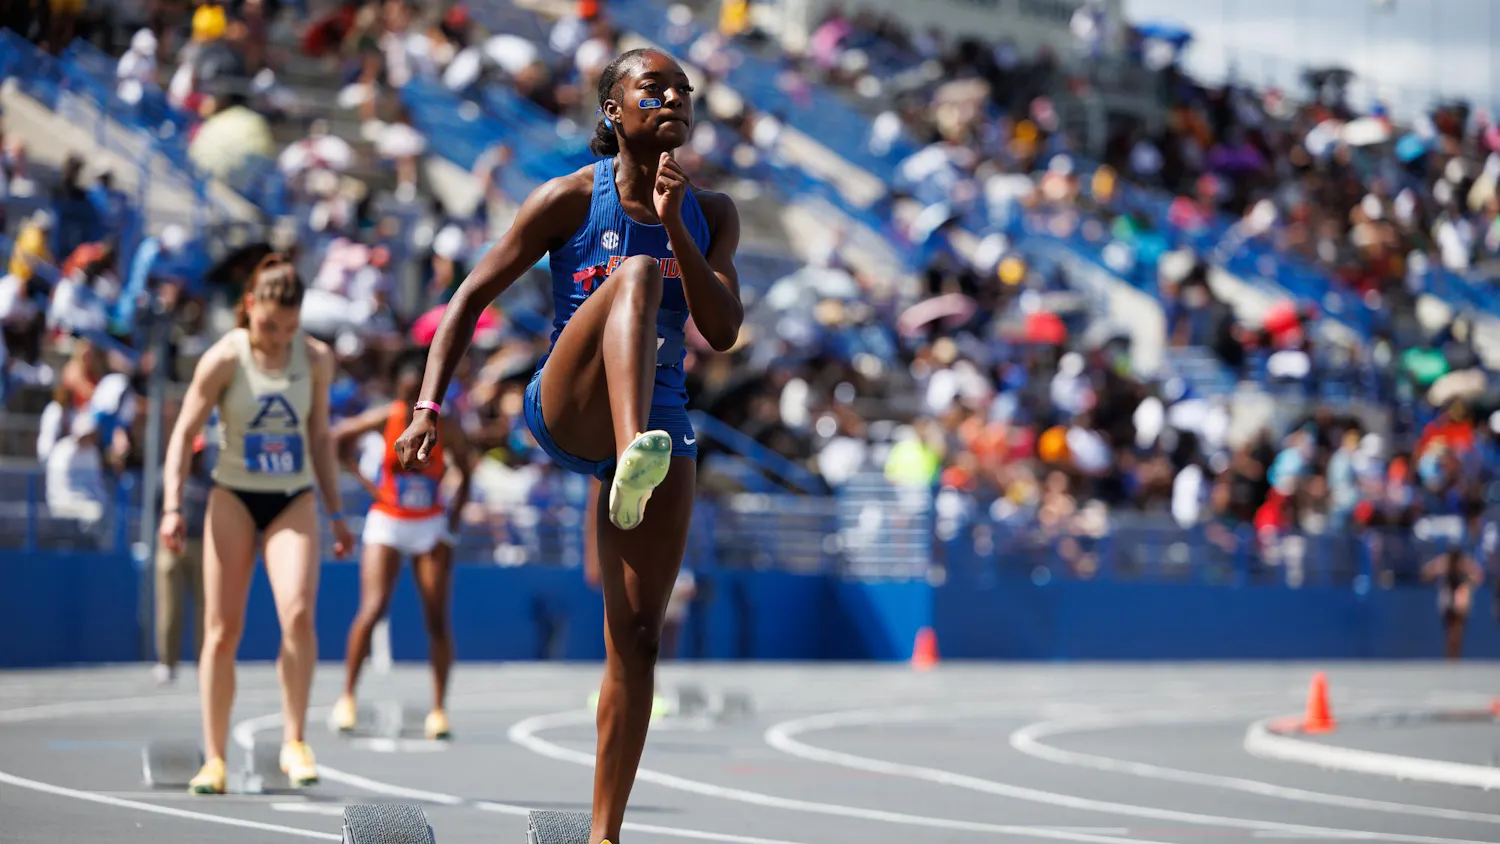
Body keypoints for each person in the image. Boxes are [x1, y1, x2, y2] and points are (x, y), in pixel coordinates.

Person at [393, 48, 742, 844]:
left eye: (685, 91)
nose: (675, 98)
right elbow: (468, 298)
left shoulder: (712, 211)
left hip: (663, 413)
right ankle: (630, 454)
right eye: (655, 87)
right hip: (570, 403)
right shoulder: (567, 198)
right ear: (613, 110)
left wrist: (673, 229)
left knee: (640, 641)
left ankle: (603, 835)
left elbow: (720, 332)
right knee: (635, 281)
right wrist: (427, 404)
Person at [159, 254, 353, 795]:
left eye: (290, 328)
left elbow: (319, 438)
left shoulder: (314, 359)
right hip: (234, 497)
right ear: (249, 307)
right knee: (222, 631)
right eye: (269, 325)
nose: (277, 338)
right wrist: (173, 506)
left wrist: (336, 514)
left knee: (297, 614)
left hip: (292, 497)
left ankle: (295, 739)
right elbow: (183, 435)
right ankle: (214, 758)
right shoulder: (225, 357)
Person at [329, 350, 474, 739]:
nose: (411, 408)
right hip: (389, 520)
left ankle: (439, 709)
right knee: (372, 608)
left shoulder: (448, 425)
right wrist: (366, 483)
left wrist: (454, 520)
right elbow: (337, 438)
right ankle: (346, 697)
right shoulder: (387, 416)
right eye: (405, 395)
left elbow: (467, 465)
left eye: (417, 398)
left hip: (430, 525)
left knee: (436, 618)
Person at [1422, 544, 1485, 660]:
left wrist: (1468, 584)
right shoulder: (1443, 562)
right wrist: (1436, 572)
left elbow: (1478, 576)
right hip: (1447, 594)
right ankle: (1450, 656)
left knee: (1458, 628)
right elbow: (1426, 573)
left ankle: (1456, 655)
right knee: (1449, 629)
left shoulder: (1466, 563)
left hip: (1461, 594)